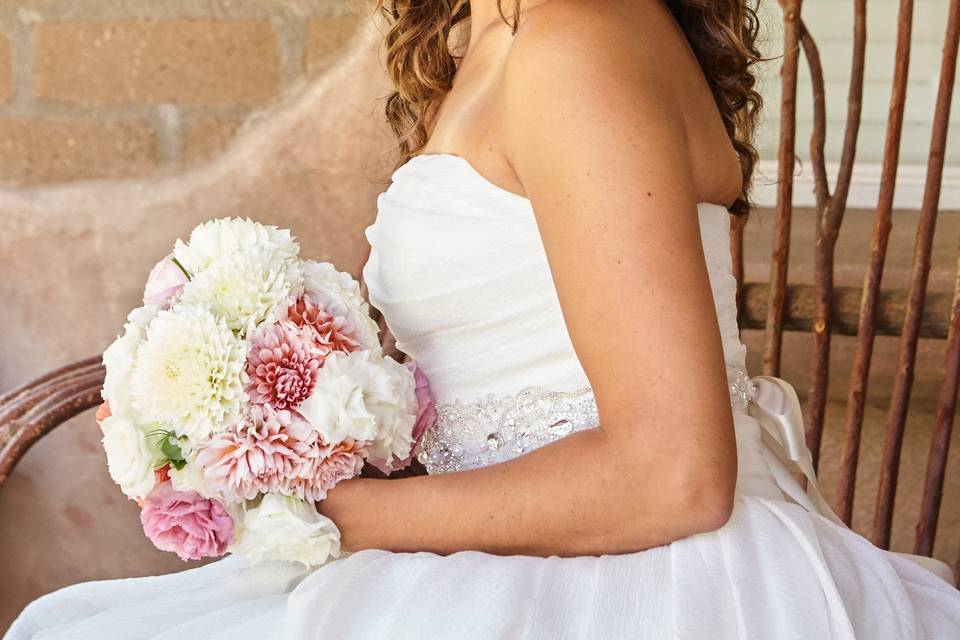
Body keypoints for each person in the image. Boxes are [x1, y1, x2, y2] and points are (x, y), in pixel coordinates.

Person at [7, 0, 960, 638]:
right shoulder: (499, 35)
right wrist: (297, 431)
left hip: (635, 575)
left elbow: (674, 475)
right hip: (500, 536)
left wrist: (343, 517)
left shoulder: (580, 44)